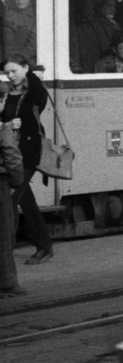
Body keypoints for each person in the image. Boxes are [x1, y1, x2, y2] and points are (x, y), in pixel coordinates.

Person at [2, 58, 54, 264]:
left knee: (10, 201)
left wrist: (31, 73)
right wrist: (8, 123)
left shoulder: (34, 92)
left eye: (14, 71)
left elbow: (40, 97)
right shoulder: (8, 92)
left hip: (29, 153)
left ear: (25, 68)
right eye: (7, 72)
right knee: (27, 203)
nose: (10, 76)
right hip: (12, 153)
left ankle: (6, 251)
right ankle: (44, 246)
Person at [0, 105, 24, 295]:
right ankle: (8, 283)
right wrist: (16, 182)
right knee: (4, 234)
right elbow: (12, 157)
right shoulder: (3, 128)